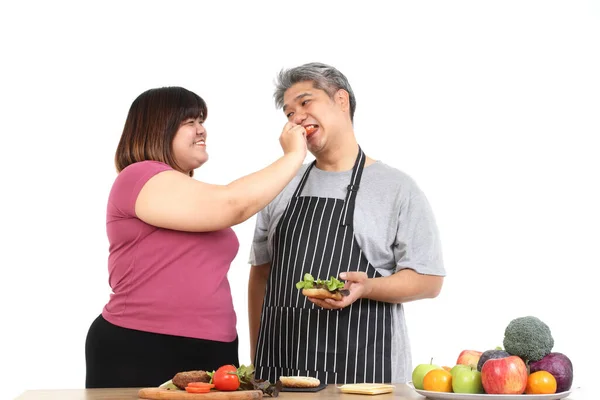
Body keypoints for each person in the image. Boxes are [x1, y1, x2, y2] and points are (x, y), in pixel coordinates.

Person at [85, 86, 307, 388]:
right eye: (189, 121)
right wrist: (294, 155)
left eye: (201, 120)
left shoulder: (190, 195)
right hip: (141, 344)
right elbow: (234, 204)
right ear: (157, 128)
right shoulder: (137, 177)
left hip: (215, 348)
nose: (202, 130)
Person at [248, 63, 445, 384]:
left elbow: (429, 280)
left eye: (305, 102)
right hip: (280, 371)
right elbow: (261, 275)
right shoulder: (279, 184)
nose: (296, 117)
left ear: (341, 100)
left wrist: (369, 287)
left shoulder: (396, 187)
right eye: (288, 113)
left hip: (366, 373)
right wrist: (258, 359)